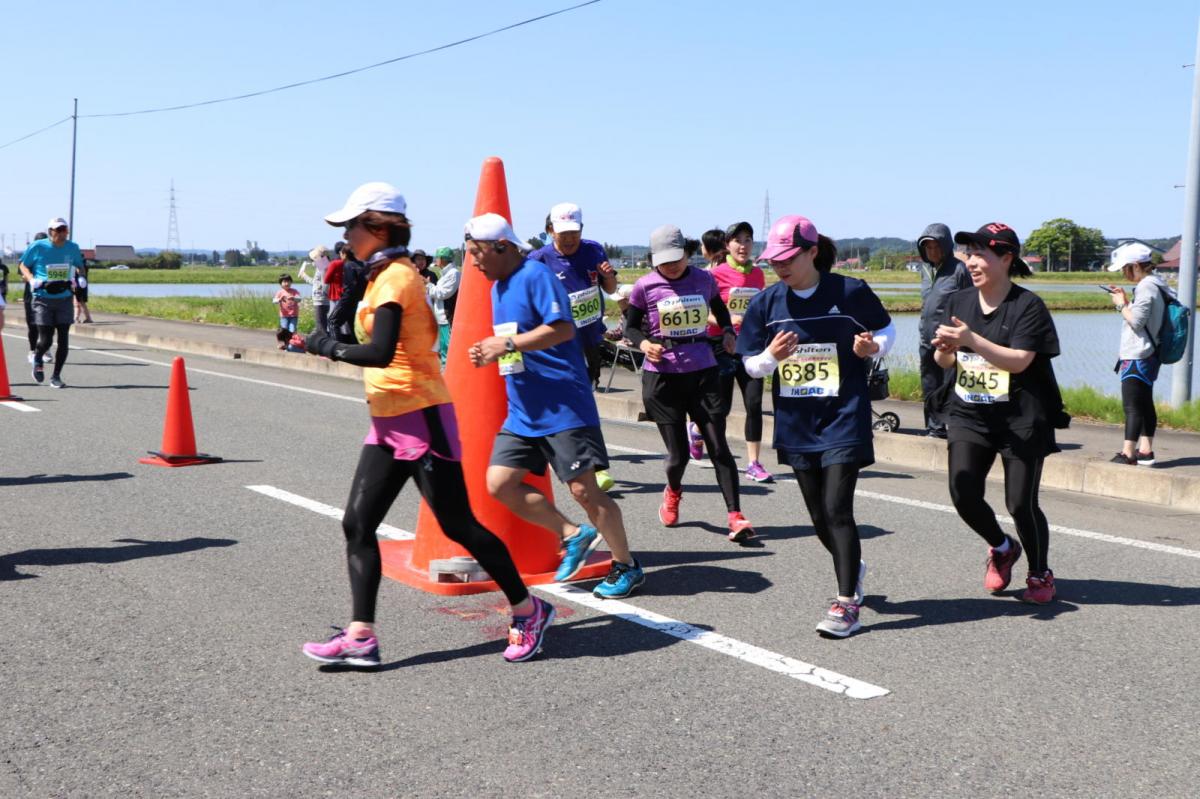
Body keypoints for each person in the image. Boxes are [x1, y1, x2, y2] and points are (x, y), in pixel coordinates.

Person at [299, 182, 553, 667]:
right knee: (357, 524)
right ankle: (361, 636)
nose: (346, 235)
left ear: (377, 227)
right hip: (389, 420)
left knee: (460, 526)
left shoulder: (397, 278)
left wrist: (322, 346)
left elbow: (379, 351)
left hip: (423, 418)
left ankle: (529, 608)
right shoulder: (377, 275)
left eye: (352, 226)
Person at [465, 212, 644, 599]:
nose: (474, 262)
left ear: (502, 247)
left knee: (584, 491)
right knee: (499, 483)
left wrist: (507, 345)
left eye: (477, 253)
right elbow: (515, 339)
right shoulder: (497, 287)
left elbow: (563, 329)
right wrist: (491, 350)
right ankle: (572, 534)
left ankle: (626, 565)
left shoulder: (535, 275)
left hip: (562, 403)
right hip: (523, 409)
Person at [737, 215, 895, 637]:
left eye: (789, 258)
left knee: (838, 508)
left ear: (811, 252)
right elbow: (750, 366)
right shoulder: (766, 304)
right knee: (818, 516)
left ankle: (846, 604)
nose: (780, 267)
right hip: (796, 422)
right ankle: (852, 565)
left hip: (844, 415)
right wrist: (770, 356)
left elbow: (885, 329)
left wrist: (871, 347)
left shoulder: (849, 291)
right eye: (774, 260)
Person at [932, 222, 1066, 605]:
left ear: (1006, 258)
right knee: (962, 492)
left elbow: (1020, 362)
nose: (971, 262)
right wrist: (945, 349)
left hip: (1021, 418)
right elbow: (945, 359)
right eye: (968, 254)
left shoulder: (1027, 306)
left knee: (1020, 503)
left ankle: (1040, 573)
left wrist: (971, 339)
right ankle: (1002, 546)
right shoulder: (958, 302)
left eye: (980, 254)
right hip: (969, 412)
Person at [623, 224, 756, 542]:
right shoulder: (645, 286)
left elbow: (721, 312)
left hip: (702, 371)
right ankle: (673, 490)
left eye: (677, 258)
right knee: (678, 456)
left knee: (719, 447)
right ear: (655, 259)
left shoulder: (703, 279)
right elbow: (630, 328)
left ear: (687, 253)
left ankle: (735, 516)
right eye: (665, 260)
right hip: (663, 376)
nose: (672, 265)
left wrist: (727, 333)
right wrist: (643, 344)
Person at [529, 203, 619, 492]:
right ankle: (593, 465)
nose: (569, 239)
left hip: (590, 336)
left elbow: (610, 289)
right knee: (572, 398)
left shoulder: (593, 250)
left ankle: (585, 459)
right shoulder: (538, 258)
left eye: (574, 232)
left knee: (586, 397)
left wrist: (607, 275)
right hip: (558, 343)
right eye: (563, 233)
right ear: (550, 230)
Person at [711, 222, 771, 482]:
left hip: (751, 346)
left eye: (748, 240)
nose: (743, 246)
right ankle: (706, 439)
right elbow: (703, 314)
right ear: (727, 245)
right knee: (721, 408)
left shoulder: (758, 275)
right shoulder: (715, 275)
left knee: (754, 403)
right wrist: (727, 321)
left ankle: (754, 463)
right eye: (738, 240)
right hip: (721, 346)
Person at [1105, 242, 1172, 466]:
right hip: (1149, 353)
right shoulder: (1157, 284)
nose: (1124, 273)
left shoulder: (1146, 287)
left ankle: (1128, 453)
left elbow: (1136, 321)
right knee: (1144, 403)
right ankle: (1145, 451)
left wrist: (1119, 305)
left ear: (1135, 265)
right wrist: (1126, 302)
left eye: (1125, 268)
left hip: (1138, 354)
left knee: (1132, 405)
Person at [917, 223, 971, 438]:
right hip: (927, 338)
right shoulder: (925, 270)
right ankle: (934, 427)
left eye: (936, 246)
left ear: (947, 246)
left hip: (951, 342)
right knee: (930, 383)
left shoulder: (959, 270)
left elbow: (970, 303)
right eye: (928, 247)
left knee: (952, 383)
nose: (932, 251)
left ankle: (957, 427)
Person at [19, 218, 82, 389]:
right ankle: (38, 358)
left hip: (64, 297)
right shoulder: (38, 246)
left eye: (64, 230)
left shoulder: (72, 247)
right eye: (58, 230)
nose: (62, 233)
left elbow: (79, 265)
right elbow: (23, 266)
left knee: (64, 339)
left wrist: (79, 277)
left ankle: (56, 376)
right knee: (46, 340)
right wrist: (31, 280)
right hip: (42, 297)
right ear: (51, 231)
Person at [427, 246, 460, 367]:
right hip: (441, 317)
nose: (436, 260)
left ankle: (449, 374)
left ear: (443, 259)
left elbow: (442, 293)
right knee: (442, 349)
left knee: (448, 348)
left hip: (447, 316)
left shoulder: (453, 274)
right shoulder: (447, 273)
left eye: (438, 258)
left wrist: (428, 285)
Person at [22, 232, 49, 363]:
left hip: (48, 295)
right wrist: (32, 277)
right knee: (32, 326)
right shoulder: (29, 256)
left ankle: (44, 349)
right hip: (31, 296)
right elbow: (22, 276)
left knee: (47, 325)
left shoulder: (52, 256)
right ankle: (32, 350)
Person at [297, 245, 331, 334]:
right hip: (321, 299)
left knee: (321, 326)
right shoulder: (324, 265)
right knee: (322, 324)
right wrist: (304, 276)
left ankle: (323, 344)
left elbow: (325, 284)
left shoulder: (323, 267)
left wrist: (323, 294)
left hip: (321, 299)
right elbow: (317, 283)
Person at [273, 273, 301, 338]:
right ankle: (286, 343)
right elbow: (274, 301)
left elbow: (299, 299)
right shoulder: (280, 292)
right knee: (284, 330)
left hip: (294, 315)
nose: (286, 283)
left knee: (292, 330)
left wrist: (293, 298)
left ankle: (292, 343)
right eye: (284, 282)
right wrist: (279, 299)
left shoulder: (294, 291)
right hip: (284, 316)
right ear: (281, 283)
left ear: (291, 282)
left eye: (288, 281)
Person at [73, 256, 93, 323]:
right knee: (81, 303)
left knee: (78, 303)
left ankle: (78, 319)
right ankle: (79, 318)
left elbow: (79, 274)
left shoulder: (79, 266)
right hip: (83, 286)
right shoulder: (85, 265)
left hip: (78, 286)